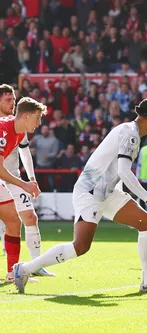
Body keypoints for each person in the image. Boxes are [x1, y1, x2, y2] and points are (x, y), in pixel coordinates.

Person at [13, 98, 147, 294]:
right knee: (80, 247)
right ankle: (24, 269)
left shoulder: (129, 131)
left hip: (106, 192)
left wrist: (124, 197)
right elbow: (124, 171)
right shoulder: (130, 135)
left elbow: (115, 169)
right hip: (89, 192)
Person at [0, 85, 54, 281]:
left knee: (14, 222)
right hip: (4, 177)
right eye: (37, 118)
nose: (40, 123)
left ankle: (12, 273)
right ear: (25, 117)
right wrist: (25, 184)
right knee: (12, 221)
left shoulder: (19, 131)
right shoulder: (3, 130)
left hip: (7, 179)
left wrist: (30, 180)